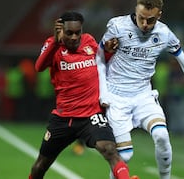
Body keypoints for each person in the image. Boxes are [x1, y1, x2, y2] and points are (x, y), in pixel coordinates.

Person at [96, 0, 184, 179]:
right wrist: (103, 93)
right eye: (141, 18)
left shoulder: (164, 33)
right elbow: (99, 58)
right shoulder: (117, 26)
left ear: (159, 15)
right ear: (135, 12)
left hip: (143, 96)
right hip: (116, 97)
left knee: (162, 136)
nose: (144, 24)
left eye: (150, 20)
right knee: (125, 156)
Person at [29, 11, 133, 179]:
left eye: (78, 32)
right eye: (69, 33)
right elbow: (39, 66)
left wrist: (108, 52)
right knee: (41, 166)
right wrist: (56, 42)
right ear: (61, 30)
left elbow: (101, 61)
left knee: (109, 150)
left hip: (90, 115)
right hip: (63, 118)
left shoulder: (89, 41)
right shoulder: (53, 45)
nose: (74, 37)